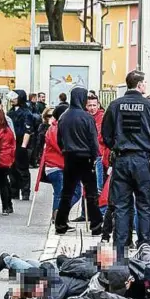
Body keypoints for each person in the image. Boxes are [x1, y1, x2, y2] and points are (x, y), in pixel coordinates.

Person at [102, 71, 150, 259]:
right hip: (143, 160)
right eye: (144, 83)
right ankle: (145, 245)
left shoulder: (114, 105)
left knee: (121, 205)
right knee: (145, 205)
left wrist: (117, 145)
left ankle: (120, 247)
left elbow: (105, 134)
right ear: (139, 85)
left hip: (121, 159)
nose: (145, 86)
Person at [53, 87, 103, 235]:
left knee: (67, 192)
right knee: (91, 192)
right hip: (86, 157)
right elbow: (93, 140)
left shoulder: (63, 117)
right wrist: (95, 156)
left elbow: (59, 140)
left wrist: (65, 150)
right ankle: (95, 225)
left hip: (69, 156)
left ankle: (60, 224)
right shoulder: (87, 117)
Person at [42, 107, 82, 220]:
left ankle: (59, 216)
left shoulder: (59, 128)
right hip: (56, 166)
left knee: (70, 193)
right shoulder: (55, 129)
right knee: (63, 193)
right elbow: (61, 147)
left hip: (61, 166)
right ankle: (59, 217)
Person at [7, 90, 36, 201]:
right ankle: (14, 191)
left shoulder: (26, 113)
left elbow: (28, 130)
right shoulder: (10, 112)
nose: (12, 100)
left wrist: (24, 146)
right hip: (12, 143)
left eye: (15, 98)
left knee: (22, 168)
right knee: (12, 168)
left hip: (21, 143)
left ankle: (25, 191)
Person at [86, 94, 107, 191]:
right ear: (86, 106)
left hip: (100, 154)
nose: (92, 108)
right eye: (90, 105)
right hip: (86, 153)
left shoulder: (103, 118)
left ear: (98, 105)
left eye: (94, 105)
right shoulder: (84, 117)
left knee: (99, 186)